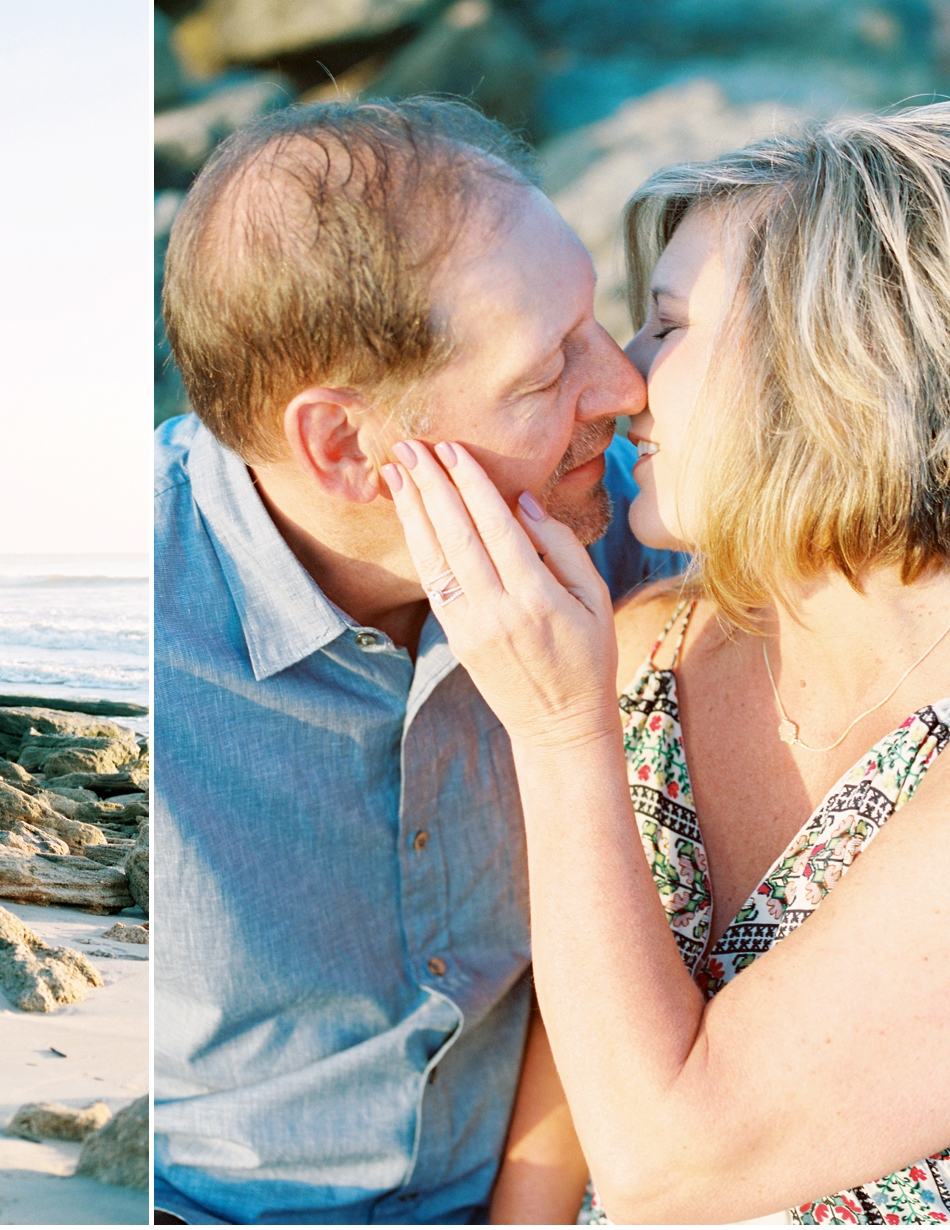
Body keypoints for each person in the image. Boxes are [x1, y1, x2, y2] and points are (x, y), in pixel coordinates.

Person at [384, 99, 950, 1223]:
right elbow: (583, 1061)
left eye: (670, 326)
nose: (626, 381)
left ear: (834, 370)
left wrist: (553, 729)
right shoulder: (658, 645)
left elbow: (668, 1163)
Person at [152, 97, 681, 1224]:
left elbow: (658, 928)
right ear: (345, 446)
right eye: (547, 374)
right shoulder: (142, 639)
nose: (624, 390)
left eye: (600, 323)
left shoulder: (625, 531)